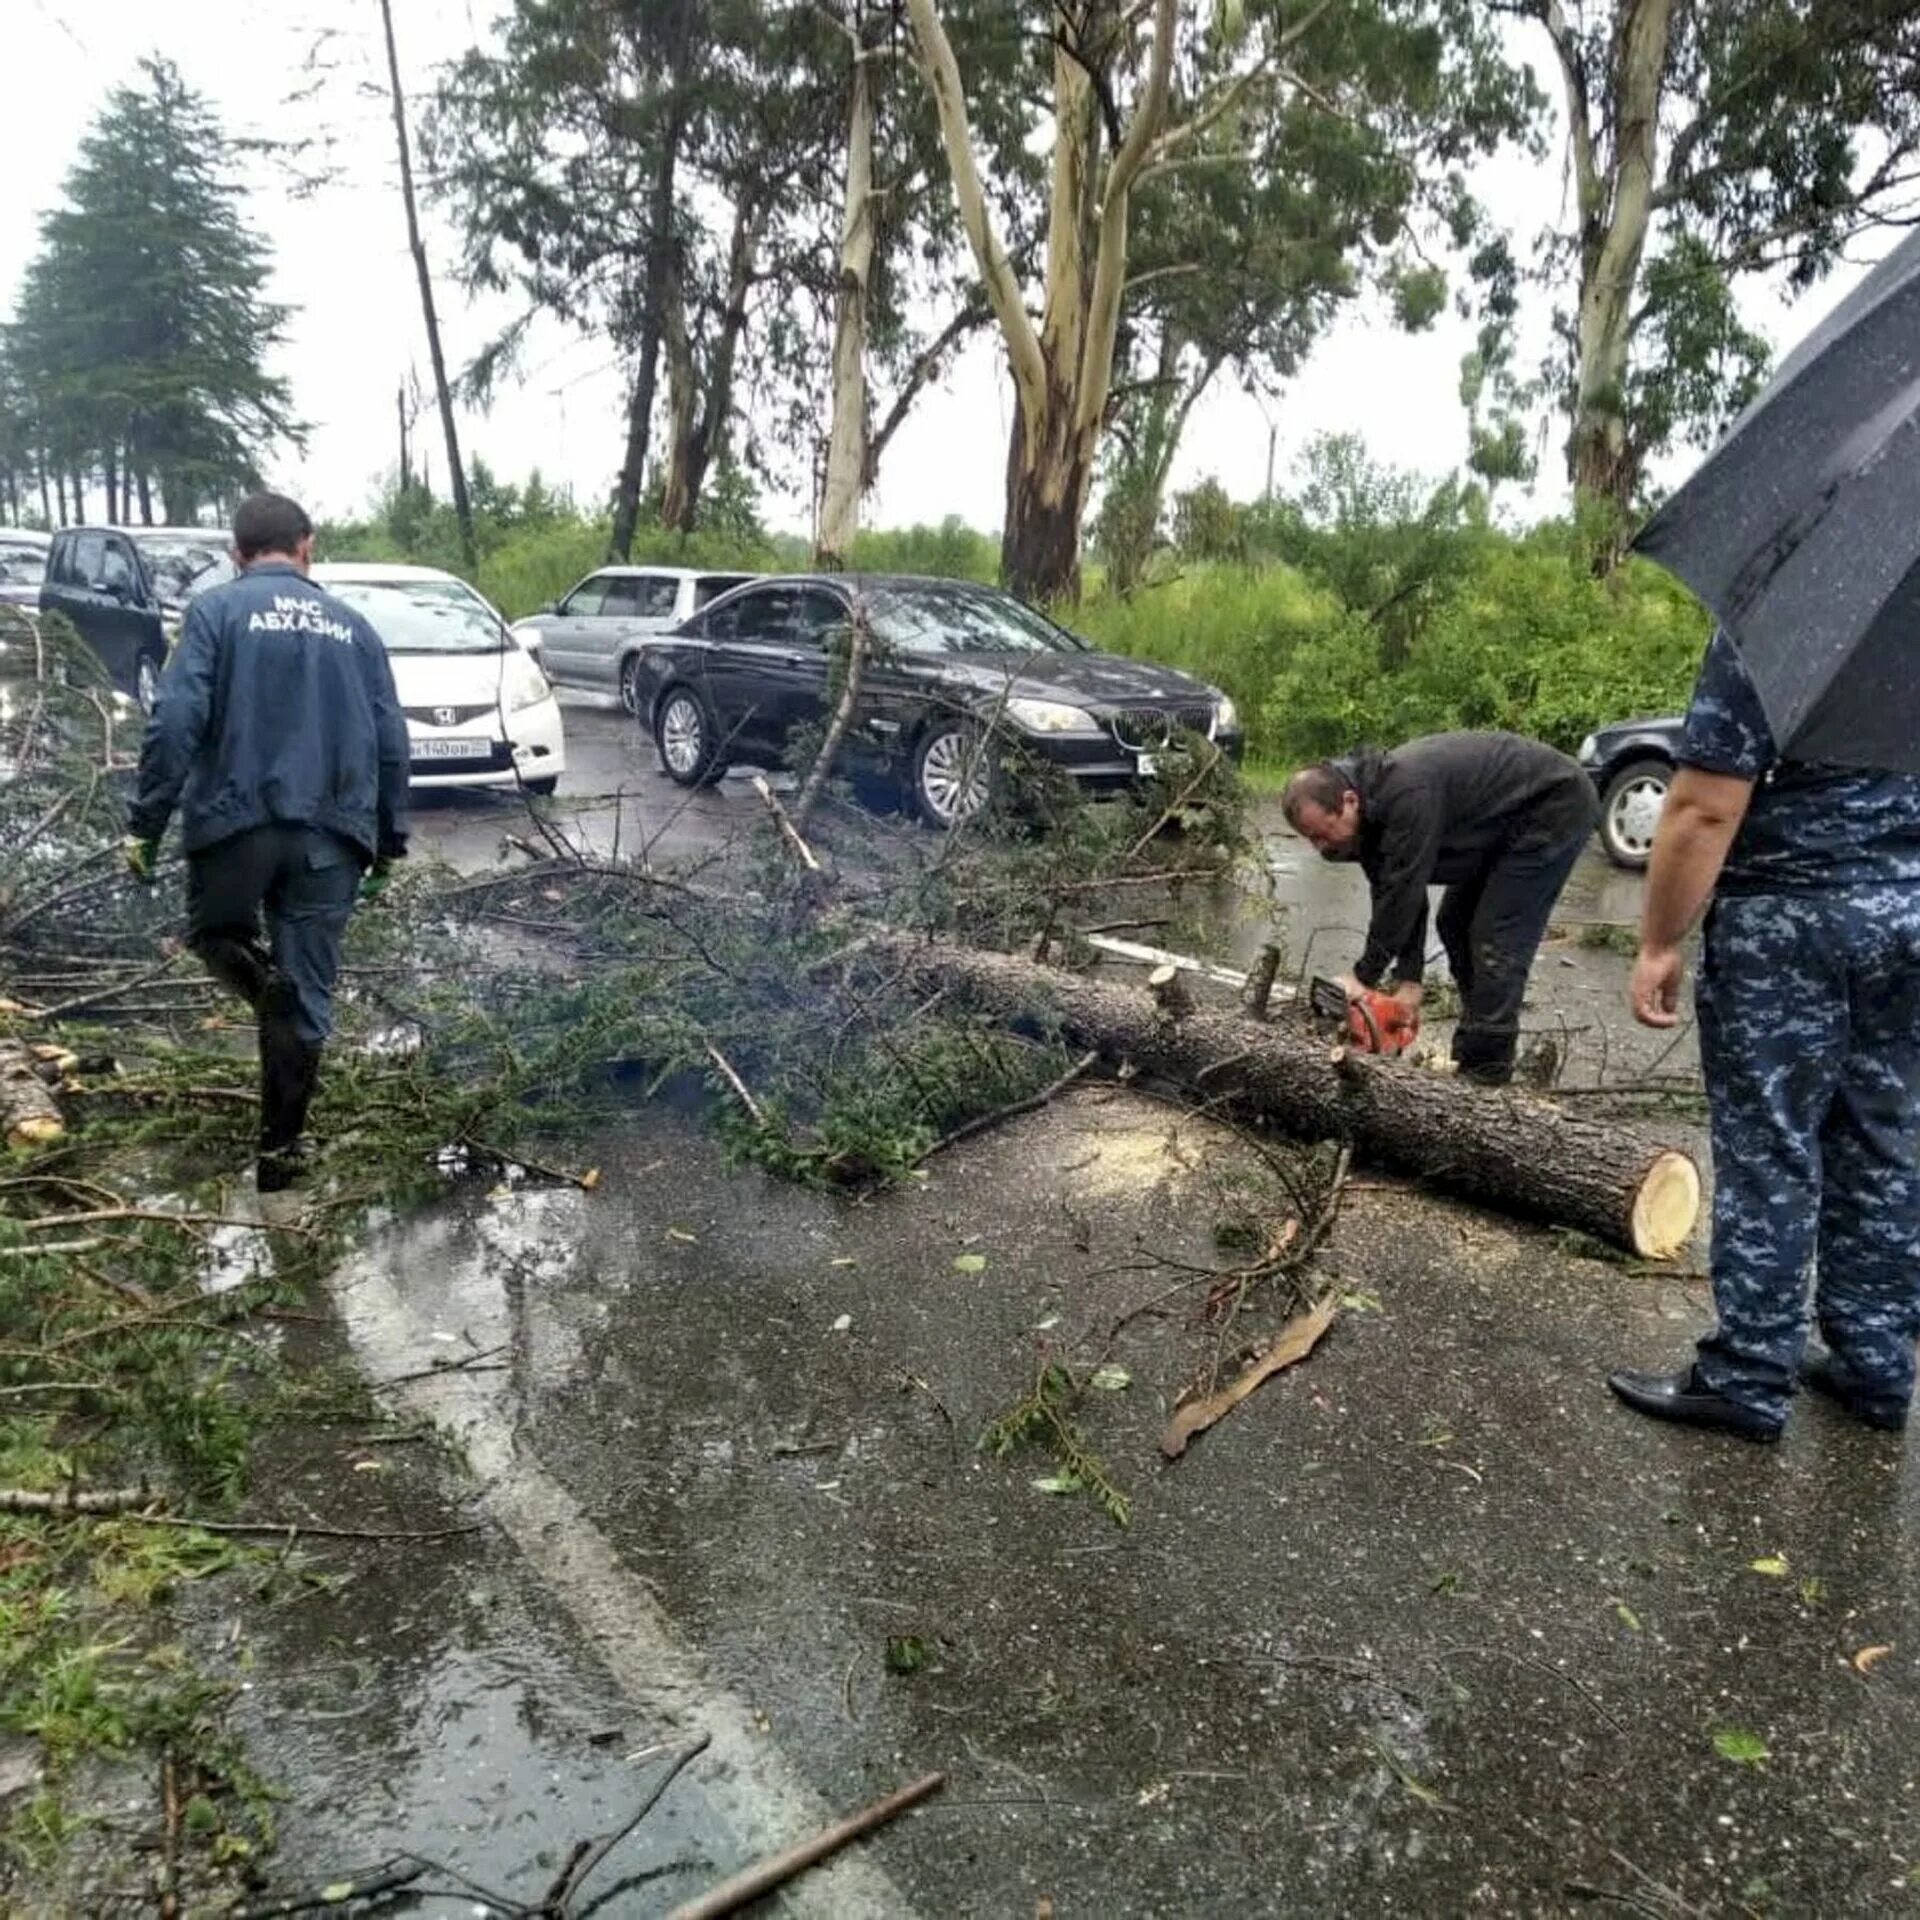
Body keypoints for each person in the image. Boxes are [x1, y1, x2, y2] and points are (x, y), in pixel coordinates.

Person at [1608, 630, 1920, 1442]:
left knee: (1772, 1143)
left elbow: (1707, 803)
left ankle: (1748, 1373)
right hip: (1913, 919)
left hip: (1794, 919)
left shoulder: (1794, 615)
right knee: (1884, 1139)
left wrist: (1660, 941)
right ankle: (1875, 1362)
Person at [125, 491, 409, 1192]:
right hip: (332, 840)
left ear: (237, 554)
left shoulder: (216, 613)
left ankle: (262, 986)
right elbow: (394, 744)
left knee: (215, 934)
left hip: (235, 827)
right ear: (307, 544)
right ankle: (280, 1163)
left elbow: (175, 722)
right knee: (308, 996)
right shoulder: (357, 629)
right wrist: (390, 841)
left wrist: (146, 823)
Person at [1282, 732, 1599, 1084]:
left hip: (1552, 806)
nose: (1320, 847)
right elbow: (1398, 892)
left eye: (1323, 834)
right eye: (1311, 839)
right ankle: (1477, 1030)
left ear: (1349, 800)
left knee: (1495, 936)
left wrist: (1363, 977)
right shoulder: (1366, 820)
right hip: (1499, 823)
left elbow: (1403, 888)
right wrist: (1409, 980)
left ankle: (1486, 1071)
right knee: (1454, 923)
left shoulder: (1406, 796)